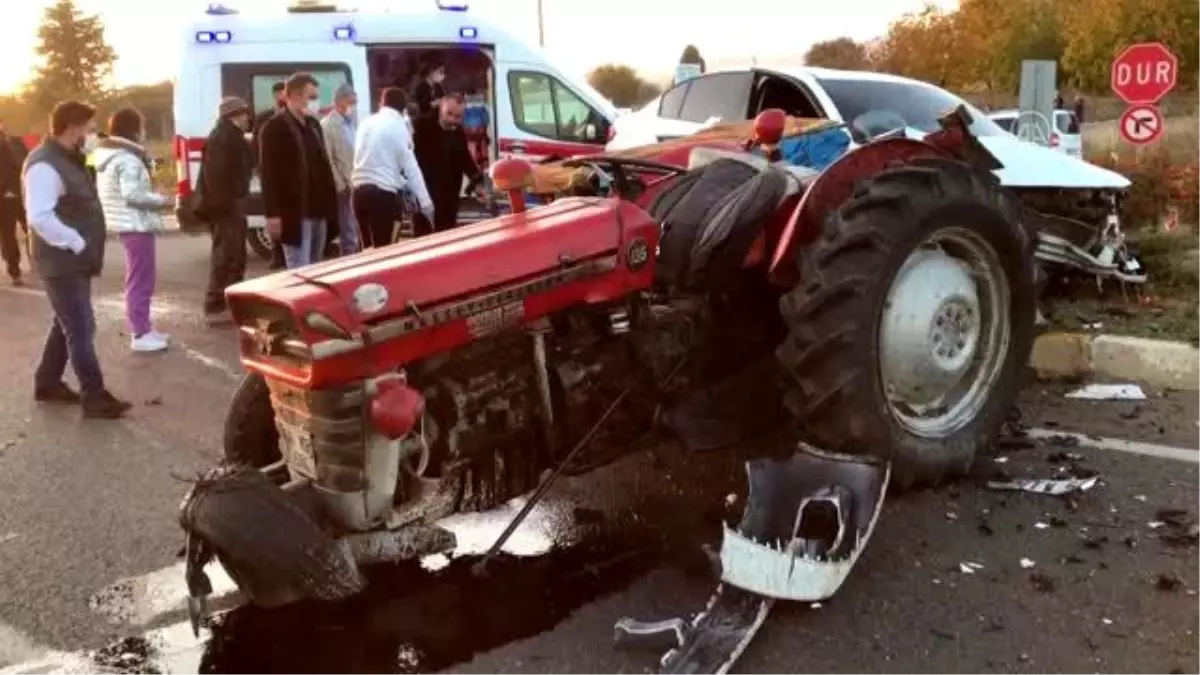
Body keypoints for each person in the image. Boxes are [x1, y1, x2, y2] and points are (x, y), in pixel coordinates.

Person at [24, 100, 130, 419]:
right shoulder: (44, 165)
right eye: (87, 127)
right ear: (71, 128)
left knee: (66, 321)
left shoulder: (69, 158)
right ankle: (94, 396)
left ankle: (47, 382)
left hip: (72, 259)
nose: (91, 133)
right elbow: (40, 216)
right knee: (81, 327)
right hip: (62, 261)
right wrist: (75, 241)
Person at [93, 107, 173, 352]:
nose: (144, 131)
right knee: (141, 279)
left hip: (127, 223)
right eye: (142, 126)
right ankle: (140, 333)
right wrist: (163, 200)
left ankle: (144, 328)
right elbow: (132, 194)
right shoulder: (127, 159)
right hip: (135, 223)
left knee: (140, 277)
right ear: (134, 129)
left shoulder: (109, 155)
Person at [259, 72, 340, 268]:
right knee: (300, 271)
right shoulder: (274, 128)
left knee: (317, 269)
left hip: (318, 211)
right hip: (295, 212)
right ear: (295, 96)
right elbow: (268, 174)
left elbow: (323, 164)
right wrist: (272, 214)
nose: (316, 102)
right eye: (311, 97)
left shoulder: (313, 125)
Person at [351, 87, 432, 248]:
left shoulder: (366, 122)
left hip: (358, 193)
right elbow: (410, 167)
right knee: (383, 250)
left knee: (366, 250)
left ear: (382, 104)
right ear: (403, 109)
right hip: (381, 196)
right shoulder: (398, 126)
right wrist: (426, 203)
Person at [197, 97, 254, 325]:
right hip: (226, 207)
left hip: (231, 204)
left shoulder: (231, 136)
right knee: (227, 255)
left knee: (235, 254)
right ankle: (216, 304)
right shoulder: (223, 139)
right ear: (234, 116)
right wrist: (226, 207)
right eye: (243, 114)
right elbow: (216, 178)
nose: (247, 118)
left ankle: (230, 302)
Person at [412, 93, 485, 234]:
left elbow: (465, 159)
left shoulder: (457, 132)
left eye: (458, 117)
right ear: (441, 109)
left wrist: (477, 183)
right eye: (449, 114)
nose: (452, 120)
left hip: (449, 195)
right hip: (425, 193)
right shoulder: (421, 127)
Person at [321, 83, 360, 256]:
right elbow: (329, 159)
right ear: (341, 101)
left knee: (357, 228)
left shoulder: (351, 123)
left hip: (355, 182)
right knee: (348, 230)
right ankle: (349, 262)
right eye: (351, 102)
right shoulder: (328, 125)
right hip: (343, 186)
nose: (354, 106)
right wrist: (341, 185)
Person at [253, 81, 287, 270]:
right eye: (281, 94)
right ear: (275, 95)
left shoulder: (294, 117)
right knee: (272, 213)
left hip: (288, 173)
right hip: (269, 172)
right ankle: (277, 254)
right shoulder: (264, 118)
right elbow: (256, 144)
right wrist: (257, 167)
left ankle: (288, 252)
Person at [0, 121, 25, 285]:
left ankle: (41, 261)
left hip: (21, 193)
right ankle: (14, 270)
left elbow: (25, 162)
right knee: (8, 236)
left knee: (33, 227)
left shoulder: (16, 142)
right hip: (3, 198)